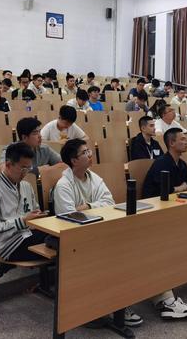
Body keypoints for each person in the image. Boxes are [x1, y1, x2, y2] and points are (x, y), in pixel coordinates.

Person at [52, 139, 143, 327]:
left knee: (127, 247)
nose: (90, 155)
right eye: (85, 152)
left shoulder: (94, 177)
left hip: (99, 229)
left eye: (89, 151)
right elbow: (70, 217)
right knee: (108, 256)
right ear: (74, 160)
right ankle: (107, 305)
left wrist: (87, 206)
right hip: (74, 238)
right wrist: (93, 208)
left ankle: (117, 303)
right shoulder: (63, 185)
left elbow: (109, 202)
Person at [138, 128, 187, 320]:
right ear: (171, 143)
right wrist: (179, 188)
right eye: (182, 139)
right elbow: (161, 192)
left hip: (175, 208)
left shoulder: (182, 163)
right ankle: (166, 299)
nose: (186, 142)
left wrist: (178, 189)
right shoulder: (161, 163)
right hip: (154, 212)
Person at [0, 142, 48, 261]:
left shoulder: (26, 186)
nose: (25, 173)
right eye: (23, 168)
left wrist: (38, 217)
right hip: (7, 244)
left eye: (29, 168)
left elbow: (35, 211)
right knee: (58, 245)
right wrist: (23, 221)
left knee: (61, 238)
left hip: (28, 234)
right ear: (8, 165)